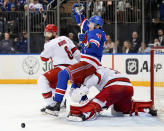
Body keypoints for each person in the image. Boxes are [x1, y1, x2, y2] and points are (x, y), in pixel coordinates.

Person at [43, 3, 106, 116]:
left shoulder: (97, 32)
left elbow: (93, 46)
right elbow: (83, 23)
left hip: (89, 63)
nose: (89, 24)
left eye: (91, 23)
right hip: (87, 62)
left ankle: (56, 104)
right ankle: (87, 105)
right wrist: (78, 13)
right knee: (74, 91)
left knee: (63, 74)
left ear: (96, 25)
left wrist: (85, 42)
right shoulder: (93, 30)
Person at [37, 24, 81, 113]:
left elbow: (43, 58)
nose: (47, 36)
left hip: (62, 68)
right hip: (74, 68)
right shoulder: (65, 38)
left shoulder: (49, 44)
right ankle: (61, 104)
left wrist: (46, 48)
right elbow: (76, 54)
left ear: (54, 33)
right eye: (46, 33)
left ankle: (52, 105)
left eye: (49, 33)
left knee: (42, 80)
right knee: (53, 83)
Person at [67, 66, 134, 121]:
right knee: (119, 111)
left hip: (114, 87)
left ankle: (86, 113)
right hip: (129, 88)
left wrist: (85, 88)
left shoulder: (94, 69)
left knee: (95, 104)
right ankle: (131, 108)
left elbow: (97, 77)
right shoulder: (105, 69)